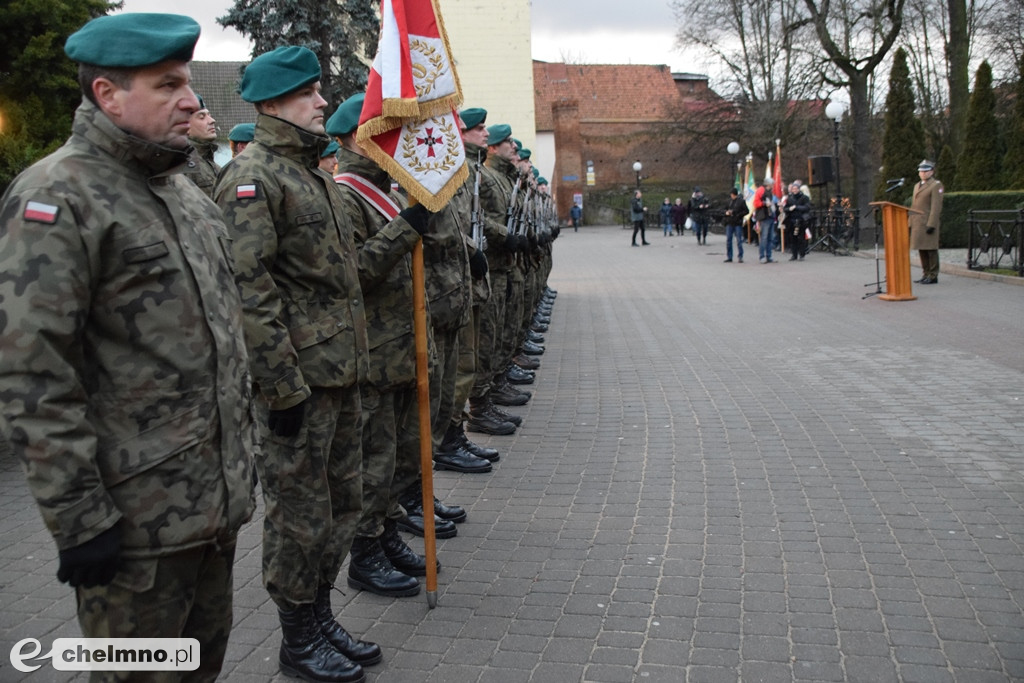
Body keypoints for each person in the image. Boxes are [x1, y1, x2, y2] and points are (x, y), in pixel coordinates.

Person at [0, 13, 255, 681]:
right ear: (108, 94)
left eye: (189, 83)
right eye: (167, 84)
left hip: (211, 509)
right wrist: (79, 519)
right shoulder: (58, 195)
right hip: (133, 528)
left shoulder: (185, 193)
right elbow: (31, 373)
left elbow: (220, 339)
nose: (191, 100)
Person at [214, 46, 385, 682]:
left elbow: (338, 281)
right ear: (274, 103)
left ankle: (319, 615)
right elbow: (248, 292)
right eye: (309, 93)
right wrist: (282, 390)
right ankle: (296, 636)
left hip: (340, 376)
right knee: (298, 515)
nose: (322, 103)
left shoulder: (310, 173)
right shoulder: (252, 178)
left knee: (341, 505)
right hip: (298, 388)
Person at [324, 93, 452, 599]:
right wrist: (406, 227)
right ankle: (366, 553)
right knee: (373, 464)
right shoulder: (345, 194)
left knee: (400, 456)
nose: (398, 143)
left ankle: (388, 532)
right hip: (375, 353)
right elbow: (354, 272)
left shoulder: (387, 190)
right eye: (386, 132)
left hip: (401, 348)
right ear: (358, 137)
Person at [910, 159, 944, 284]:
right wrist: (910, 222)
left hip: (928, 222)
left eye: (926, 171)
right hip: (917, 222)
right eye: (921, 171)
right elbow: (914, 205)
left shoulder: (936, 185)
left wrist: (932, 223)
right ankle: (926, 273)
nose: (923, 173)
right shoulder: (917, 186)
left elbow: (936, 207)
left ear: (932, 172)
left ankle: (933, 275)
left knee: (930, 249)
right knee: (921, 249)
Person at [183, 94, 219, 197]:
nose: (212, 120)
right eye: (202, 117)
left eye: (209, 115)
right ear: (185, 125)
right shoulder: (184, 165)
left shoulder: (210, 164)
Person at [782, 181, 812, 260]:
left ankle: (802, 254)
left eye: (796, 189)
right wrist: (789, 209)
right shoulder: (789, 198)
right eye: (793, 189)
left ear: (799, 189)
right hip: (791, 220)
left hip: (801, 220)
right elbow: (785, 208)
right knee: (792, 238)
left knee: (801, 238)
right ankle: (794, 255)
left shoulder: (804, 198)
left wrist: (796, 207)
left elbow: (807, 207)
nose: (794, 190)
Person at [753, 177, 777, 263]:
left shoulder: (769, 192)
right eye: (772, 184)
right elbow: (755, 203)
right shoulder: (761, 190)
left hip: (770, 216)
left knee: (770, 238)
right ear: (768, 184)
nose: (773, 186)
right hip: (764, 216)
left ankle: (769, 256)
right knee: (764, 237)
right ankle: (762, 256)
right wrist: (764, 203)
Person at [723, 187, 748, 263]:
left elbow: (746, 211)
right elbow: (724, 209)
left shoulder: (741, 202)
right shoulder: (729, 202)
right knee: (729, 240)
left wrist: (738, 215)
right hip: (730, 222)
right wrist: (726, 212)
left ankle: (740, 256)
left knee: (739, 240)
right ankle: (729, 256)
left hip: (737, 223)